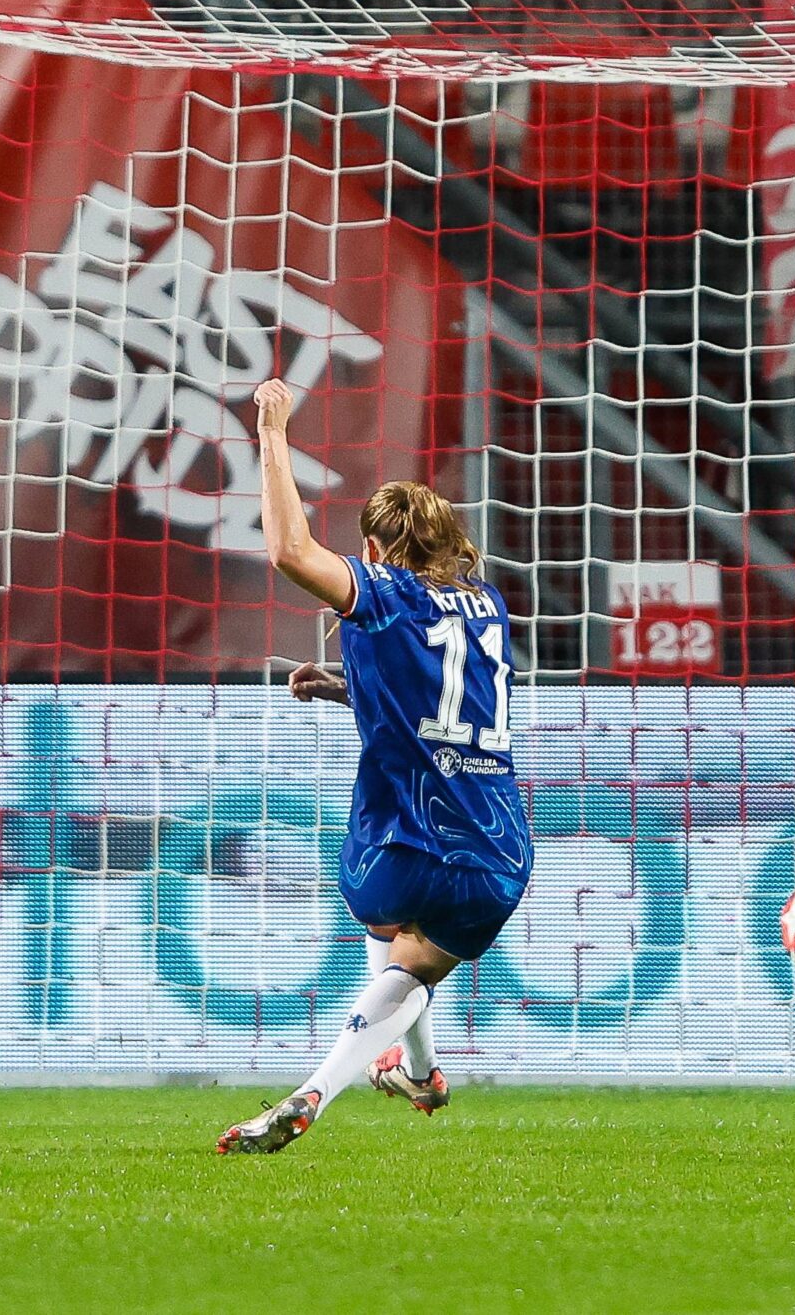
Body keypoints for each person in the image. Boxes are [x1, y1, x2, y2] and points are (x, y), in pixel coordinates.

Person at [216, 378, 532, 1154]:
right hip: (497, 852)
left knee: (390, 926)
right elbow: (438, 699)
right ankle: (415, 1073)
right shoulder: (486, 603)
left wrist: (273, 431)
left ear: (378, 550)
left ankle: (318, 1091)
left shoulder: (385, 591)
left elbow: (291, 550)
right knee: (418, 964)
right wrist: (347, 687)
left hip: (400, 848)